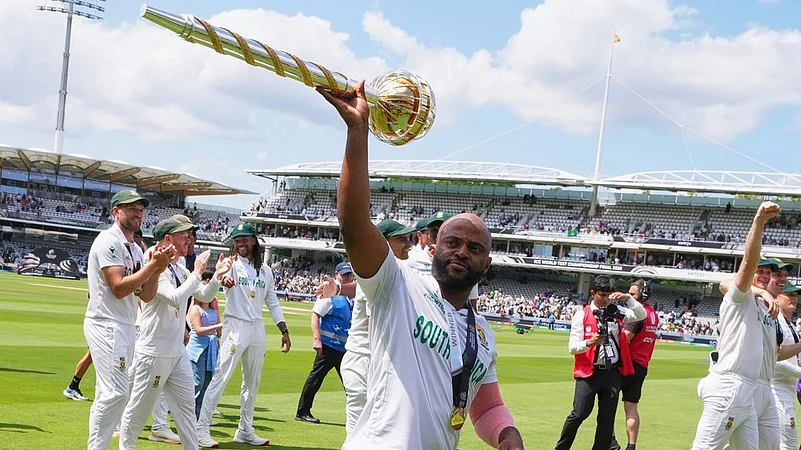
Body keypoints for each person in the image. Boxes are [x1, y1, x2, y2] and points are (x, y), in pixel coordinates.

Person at [318, 80, 524, 450]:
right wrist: (357, 131)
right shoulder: (398, 286)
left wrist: (507, 433)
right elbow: (354, 224)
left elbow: (487, 407)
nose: (461, 251)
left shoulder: (482, 334)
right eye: (452, 242)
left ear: (486, 265)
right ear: (434, 249)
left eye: (474, 248)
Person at [119, 217, 231, 450]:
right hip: (154, 350)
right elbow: (174, 298)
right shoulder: (154, 261)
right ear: (168, 238)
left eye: (189, 235)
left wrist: (217, 277)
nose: (189, 240)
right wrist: (197, 272)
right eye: (184, 236)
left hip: (176, 351)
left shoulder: (179, 267)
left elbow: (204, 295)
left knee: (186, 408)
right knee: (139, 409)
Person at [84, 190, 175, 450]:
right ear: (116, 212)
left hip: (125, 324)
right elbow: (118, 287)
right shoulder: (109, 241)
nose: (138, 213)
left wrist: (157, 269)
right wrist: (152, 266)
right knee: (117, 393)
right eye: (131, 208)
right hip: (106, 322)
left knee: (107, 393)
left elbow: (145, 295)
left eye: (141, 209)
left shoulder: (134, 248)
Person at [691, 201, 783, 450]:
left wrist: (763, 293)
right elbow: (747, 262)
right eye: (760, 271)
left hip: (747, 391)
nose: (765, 275)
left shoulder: (761, 304)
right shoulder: (740, 297)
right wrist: (759, 221)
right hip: (728, 387)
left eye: (768, 273)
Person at [197, 222, 292, 448]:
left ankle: (245, 430)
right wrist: (223, 279)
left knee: (252, 382)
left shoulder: (266, 270)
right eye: (237, 240)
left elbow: (273, 302)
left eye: (244, 239)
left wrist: (284, 330)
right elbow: (218, 283)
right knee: (221, 377)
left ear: (253, 241)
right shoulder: (229, 264)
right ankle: (201, 429)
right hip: (235, 324)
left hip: (256, 327)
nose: (240, 243)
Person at [337, 218, 417, 436]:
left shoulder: (389, 273)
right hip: (365, 362)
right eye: (402, 239)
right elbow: (378, 329)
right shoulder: (377, 277)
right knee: (358, 436)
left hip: (371, 361)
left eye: (409, 238)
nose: (409, 244)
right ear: (382, 242)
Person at [554, 275, 646, 450]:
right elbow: (572, 347)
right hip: (589, 373)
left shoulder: (615, 311)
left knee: (606, 420)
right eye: (602, 295)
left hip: (612, 373)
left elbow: (641, 315)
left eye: (609, 295)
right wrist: (589, 343)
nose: (605, 299)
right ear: (593, 293)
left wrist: (628, 298)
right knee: (579, 414)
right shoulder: (582, 314)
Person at [295, 262, 356, 424]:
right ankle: (302, 411)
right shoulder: (329, 295)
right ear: (337, 274)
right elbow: (315, 315)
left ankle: (358, 415)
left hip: (344, 348)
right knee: (316, 379)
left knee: (351, 382)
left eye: (349, 275)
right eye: (344, 275)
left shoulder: (350, 296)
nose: (347, 277)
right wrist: (317, 339)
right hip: (329, 347)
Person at [609, 280, 658, 450]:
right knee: (631, 407)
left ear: (642, 295)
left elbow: (625, 338)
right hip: (642, 366)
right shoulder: (653, 313)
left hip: (626, 364)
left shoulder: (637, 314)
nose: (628, 296)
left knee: (607, 403)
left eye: (632, 294)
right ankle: (631, 446)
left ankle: (611, 442)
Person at [186, 271, 224, 419]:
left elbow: (219, 332)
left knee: (207, 383)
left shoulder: (213, 310)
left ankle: (199, 415)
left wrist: (219, 330)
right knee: (197, 382)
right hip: (197, 349)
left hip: (211, 349)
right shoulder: (196, 309)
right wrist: (217, 327)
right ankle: (188, 413)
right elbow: (198, 330)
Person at [773, 282, 801, 450]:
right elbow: (774, 360)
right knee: (789, 445)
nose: (794, 298)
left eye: (796, 295)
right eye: (790, 295)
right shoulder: (776, 322)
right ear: (777, 298)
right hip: (777, 391)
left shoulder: (790, 324)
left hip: (787, 391)